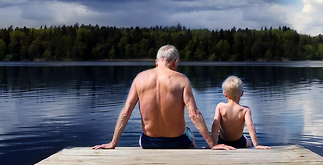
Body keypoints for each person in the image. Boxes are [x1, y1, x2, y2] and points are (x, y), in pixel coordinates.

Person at [92, 45, 234, 150]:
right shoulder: (182, 80)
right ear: (175, 62)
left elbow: (125, 112)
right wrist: (212, 144)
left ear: (156, 61)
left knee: (141, 137)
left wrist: (113, 143)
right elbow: (194, 114)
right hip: (178, 142)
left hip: (149, 142)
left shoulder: (139, 78)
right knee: (190, 134)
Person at [212, 75, 270, 149]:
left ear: (224, 94)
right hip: (239, 142)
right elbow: (250, 126)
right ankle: (253, 145)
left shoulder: (220, 107)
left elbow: (215, 125)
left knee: (243, 138)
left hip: (222, 142)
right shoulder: (245, 110)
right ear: (242, 93)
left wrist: (214, 144)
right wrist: (256, 144)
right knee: (248, 141)